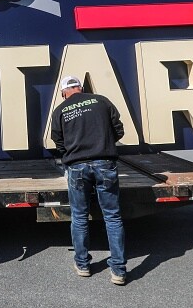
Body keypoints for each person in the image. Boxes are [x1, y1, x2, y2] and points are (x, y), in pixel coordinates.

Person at [51, 75, 127, 285]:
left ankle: (83, 265)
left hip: (77, 167)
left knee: (79, 216)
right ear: (81, 88)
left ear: (64, 92)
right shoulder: (101, 101)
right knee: (112, 217)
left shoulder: (61, 110)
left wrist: (73, 152)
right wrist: (102, 143)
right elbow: (118, 130)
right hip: (105, 163)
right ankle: (118, 271)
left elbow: (58, 141)